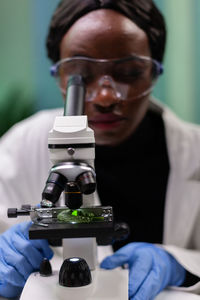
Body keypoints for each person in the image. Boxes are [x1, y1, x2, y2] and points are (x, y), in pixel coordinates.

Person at [0, 0, 200, 299]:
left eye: (130, 73)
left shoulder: (195, 150)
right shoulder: (20, 146)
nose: (106, 96)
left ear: (154, 73)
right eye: (80, 74)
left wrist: (180, 266)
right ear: (59, 76)